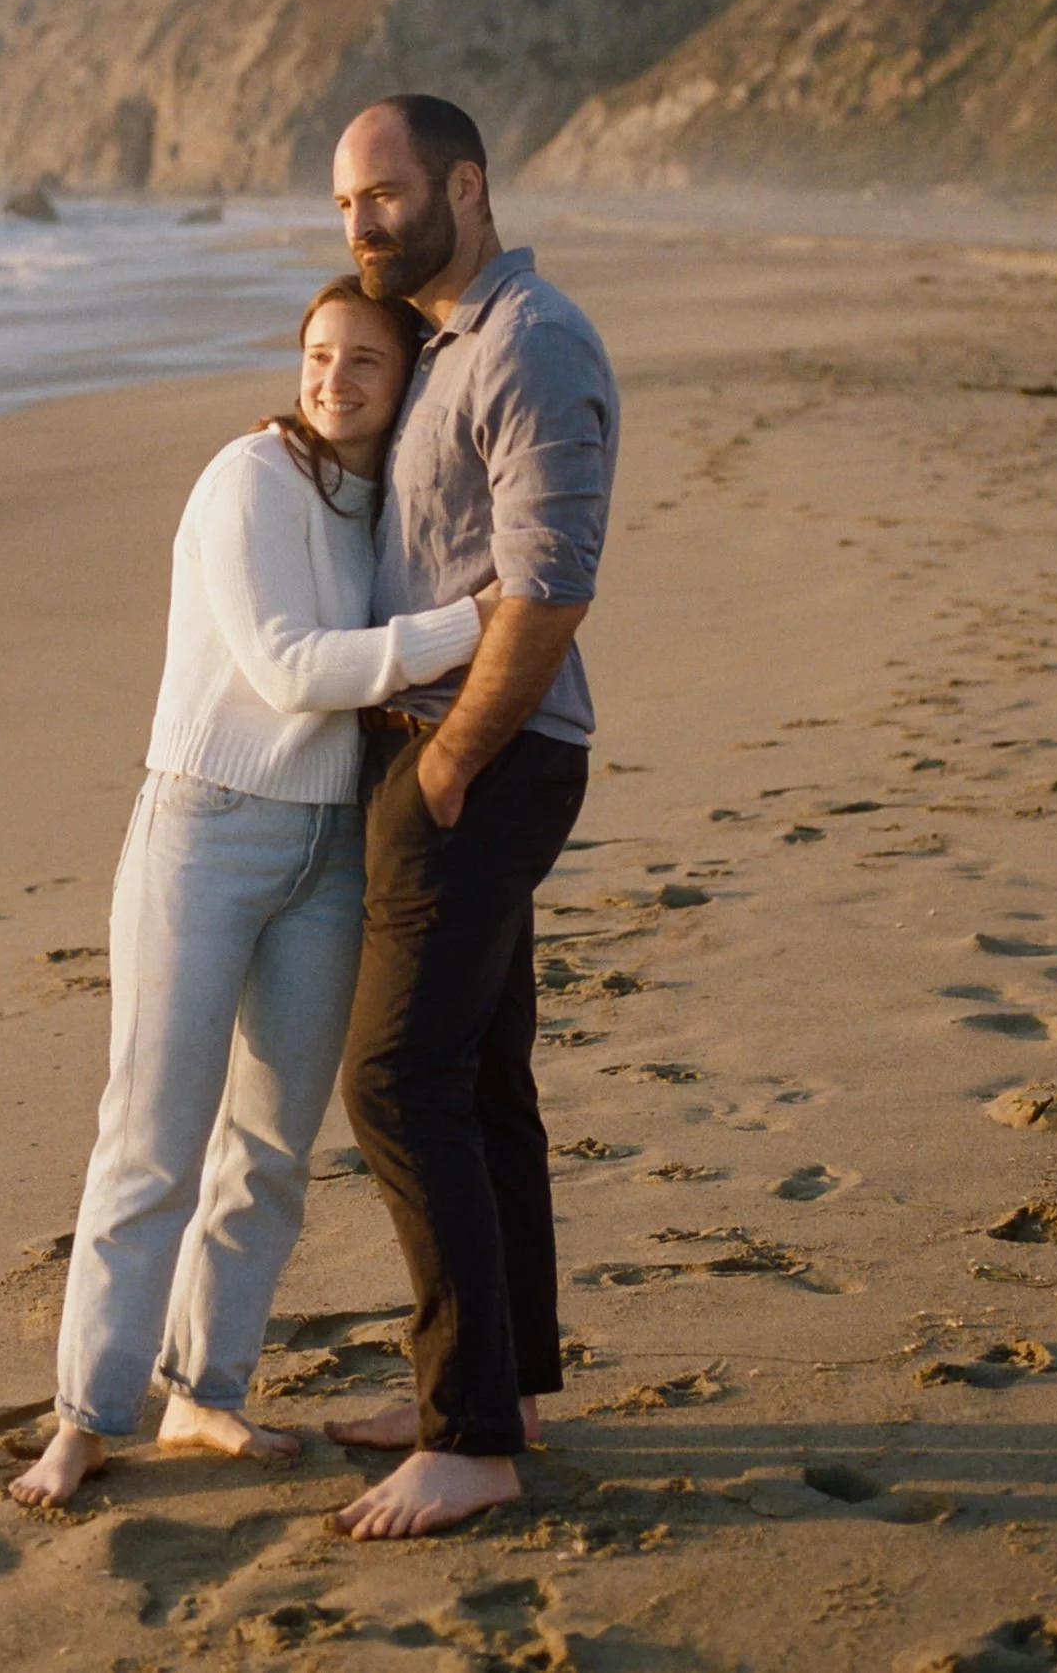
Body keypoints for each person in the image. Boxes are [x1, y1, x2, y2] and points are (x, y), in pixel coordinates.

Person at [11, 275, 491, 1509]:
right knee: (153, 1135)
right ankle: (84, 1415)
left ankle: (206, 1392)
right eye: (320, 355)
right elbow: (286, 669)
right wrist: (470, 626)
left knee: (271, 1146)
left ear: (408, 380)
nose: (336, 379)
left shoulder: (381, 502)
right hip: (205, 832)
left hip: (331, 844)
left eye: (366, 362)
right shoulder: (248, 480)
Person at [322, 94, 619, 1540]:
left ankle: (468, 1437)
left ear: (466, 184)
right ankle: (506, 1386)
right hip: (458, 750)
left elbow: (552, 581)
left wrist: (449, 765)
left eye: (382, 192)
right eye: (342, 206)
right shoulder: (449, 342)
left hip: (484, 759)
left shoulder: (531, 341)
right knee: (486, 1079)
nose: (361, 221)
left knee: (394, 1080)